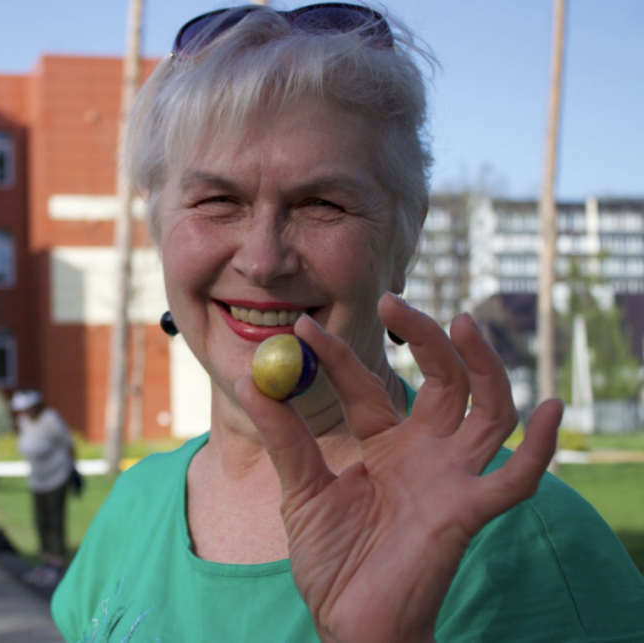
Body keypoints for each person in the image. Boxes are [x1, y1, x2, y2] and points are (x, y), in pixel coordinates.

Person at [51, 4, 644, 642]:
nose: (263, 261)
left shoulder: (523, 544)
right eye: (218, 200)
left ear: (403, 239)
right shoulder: (135, 504)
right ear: (159, 231)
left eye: (321, 204)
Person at [11, 389, 75, 588]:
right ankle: (46, 562)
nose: (24, 412)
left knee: (55, 520)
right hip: (37, 479)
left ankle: (57, 565)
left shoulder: (51, 419)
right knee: (41, 521)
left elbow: (68, 444)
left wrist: (74, 470)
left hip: (57, 476)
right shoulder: (23, 422)